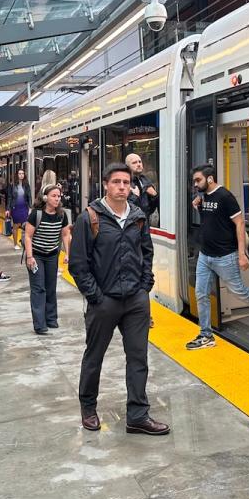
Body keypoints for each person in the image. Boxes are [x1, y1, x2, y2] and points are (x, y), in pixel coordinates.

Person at [69, 163, 168, 436]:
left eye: (126, 182)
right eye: (117, 182)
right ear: (106, 184)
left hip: (136, 300)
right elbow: (78, 264)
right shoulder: (89, 217)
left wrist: (145, 285)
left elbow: (146, 252)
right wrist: (95, 297)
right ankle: (88, 408)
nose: (122, 187)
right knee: (94, 356)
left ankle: (138, 415)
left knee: (139, 358)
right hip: (105, 301)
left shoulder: (138, 215)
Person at [187, 164, 249, 351]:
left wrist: (241, 255)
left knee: (239, 292)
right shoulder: (203, 197)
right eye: (194, 181)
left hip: (225, 256)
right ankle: (206, 335)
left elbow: (239, 224)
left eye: (198, 180)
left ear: (209, 179)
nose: (195, 184)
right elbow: (211, 222)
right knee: (201, 294)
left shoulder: (225, 196)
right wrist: (198, 208)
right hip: (205, 255)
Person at [23, 184, 65, 335]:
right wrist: (30, 256)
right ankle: (40, 324)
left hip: (52, 255)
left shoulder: (62, 215)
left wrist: (68, 254)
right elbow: (28, 236)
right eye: (54, 196)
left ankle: (51, 319)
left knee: (51, 287)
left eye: (59, 196)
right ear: (46, 197)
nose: (57, 199)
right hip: (37, 255)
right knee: (38, 288)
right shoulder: (36, 214)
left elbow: (66, 235)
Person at [126, 153, 158, 328]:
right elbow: (130, 208)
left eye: (139, 161)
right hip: (131, 234)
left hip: (143, 233)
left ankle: (144, 313)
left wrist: (153, 196)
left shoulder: (145, 180)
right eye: (134, 162)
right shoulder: (126, 184)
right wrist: (136, 197)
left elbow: (150, 208)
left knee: (146, 272)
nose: (139, 164)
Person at [8, 169, 32, 251]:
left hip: (24, 207)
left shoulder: (26, 185)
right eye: (19, 173)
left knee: (26, 225)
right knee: (16, 225)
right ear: (16, 175)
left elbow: (29, 196)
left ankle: (24, 241)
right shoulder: (12, 185)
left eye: (22, 173)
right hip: (15, 208)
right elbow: (10, 197)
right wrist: (8, 209)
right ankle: (15, 244)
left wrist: (30, 207)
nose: (21, 175)